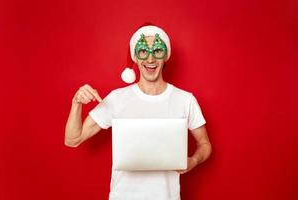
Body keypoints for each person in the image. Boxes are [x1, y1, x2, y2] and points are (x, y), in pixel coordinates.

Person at [64, 25, 212, 200]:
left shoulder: (185, 100)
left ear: (165, 56)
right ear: (135, 57)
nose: (150, 59)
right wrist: (76, 103)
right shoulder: (117, 98)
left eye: (157, 51)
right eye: (143, 52)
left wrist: (193, 161)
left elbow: (205, 145)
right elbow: (72, 140)